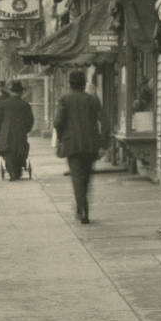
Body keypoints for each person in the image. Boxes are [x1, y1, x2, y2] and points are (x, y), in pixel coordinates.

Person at [54, 67, 107, 223]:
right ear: (84, 84)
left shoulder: (64, 99)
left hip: (72, 145)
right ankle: (82, 206)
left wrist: (60, 137)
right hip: (91, 145)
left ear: (70, 84)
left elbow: (58, 122)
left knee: (77, 177)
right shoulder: (93, 100)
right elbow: (105, 122)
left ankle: (82, 209)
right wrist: (103, 143)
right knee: (86, 177)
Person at [0, 84, 34, 180]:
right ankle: (17, 170)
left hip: (6, 132)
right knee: (20, 150)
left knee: (7, 151)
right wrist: (26, 129)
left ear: (11, 92)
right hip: (20, 132)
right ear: (21, 93)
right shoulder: (25, 104)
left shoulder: (3, 104)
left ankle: (11, 171)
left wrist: (0, 129)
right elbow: (30, 120)